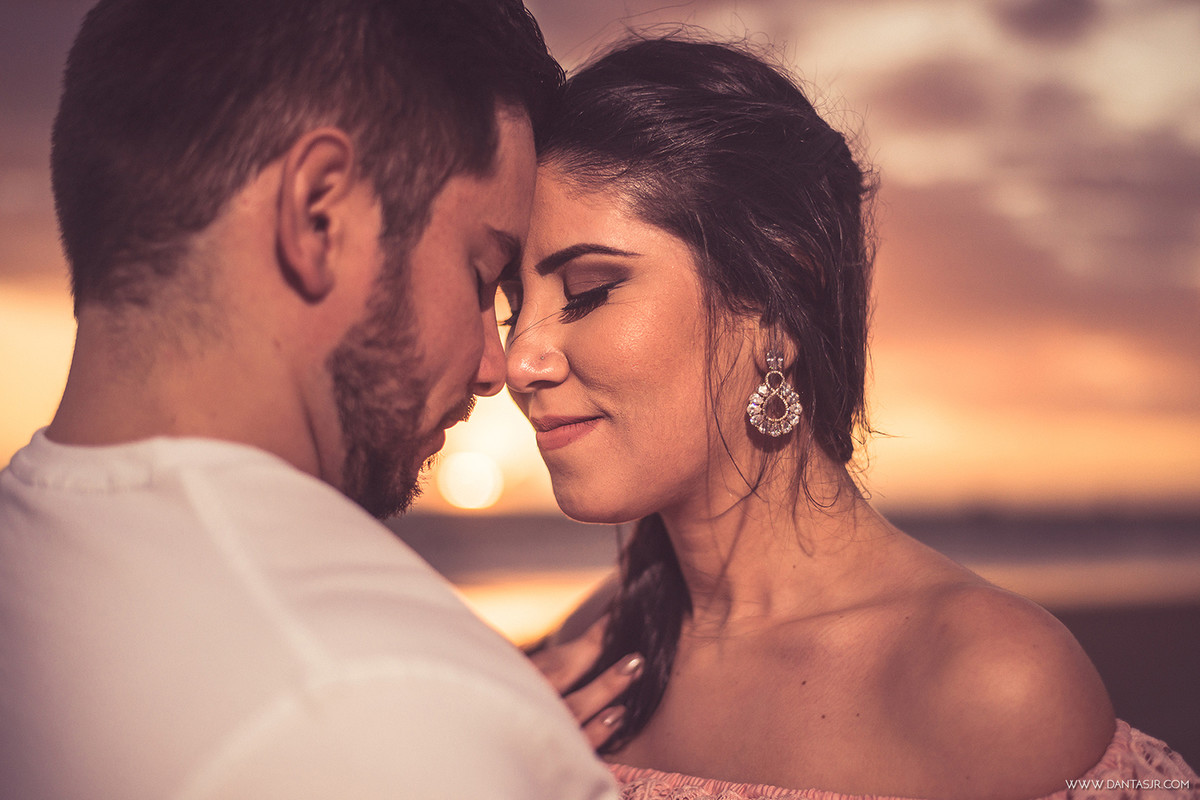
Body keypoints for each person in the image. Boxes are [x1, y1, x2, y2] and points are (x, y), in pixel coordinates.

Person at [503, 36, 1199, 800]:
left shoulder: (993, 685)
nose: (519, 360)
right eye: (510, 308)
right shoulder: (594, 650)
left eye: (589, 290)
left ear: (775, 297)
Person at [0, 1, 620, 798]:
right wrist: (488, 747)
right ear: (319, 215)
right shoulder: (391, 712)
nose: (493, 366)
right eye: (479, 275)